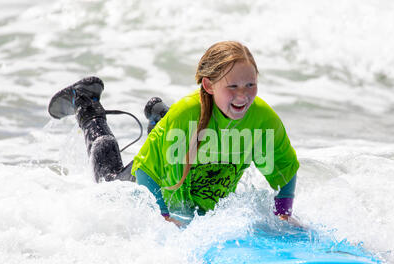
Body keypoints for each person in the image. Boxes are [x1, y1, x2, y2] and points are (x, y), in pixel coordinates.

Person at [48, 41, 300, 228]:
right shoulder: (188, 114)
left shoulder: (263, 120)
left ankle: (160, 121)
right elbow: (146, 171)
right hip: (144, 182)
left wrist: (283, 214)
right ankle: (86, 104)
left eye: (250, 85)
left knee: (177, 135)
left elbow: (284, 170)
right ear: (209, 85)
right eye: (232, 86)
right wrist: (163, 217)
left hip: (181, 157)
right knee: (106, 179)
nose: (243, 95)